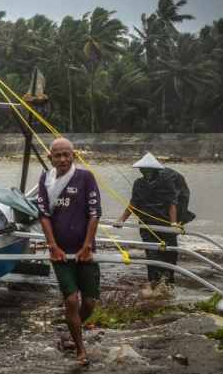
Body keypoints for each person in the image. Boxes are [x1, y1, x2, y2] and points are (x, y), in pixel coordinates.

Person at [36, 138, 101, 366]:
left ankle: (73, 329)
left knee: (90, 303)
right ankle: (80, 350)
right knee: (71, 300)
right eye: (57, 156)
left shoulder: (86, 178)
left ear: (74, 156)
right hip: (60, 253)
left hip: (85, 251)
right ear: (50, 158)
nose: (62, 159)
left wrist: (86, 246)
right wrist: (53, 246)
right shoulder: (45, 179)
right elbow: (43, 215)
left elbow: (94, 213)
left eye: (66, 155)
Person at [115, 152, 195, 285]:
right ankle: (153, 284)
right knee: (151, 255)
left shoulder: (166, 182)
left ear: (155, 170)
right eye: (144, 171)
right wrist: (121, 219)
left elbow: (172, 203)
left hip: (165, 222)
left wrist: (174, 224)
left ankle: (168, 284)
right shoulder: (139, 184)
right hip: (147, 224)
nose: (147, 173)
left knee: (169, 254)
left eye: (149, 171)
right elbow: (133, 203)